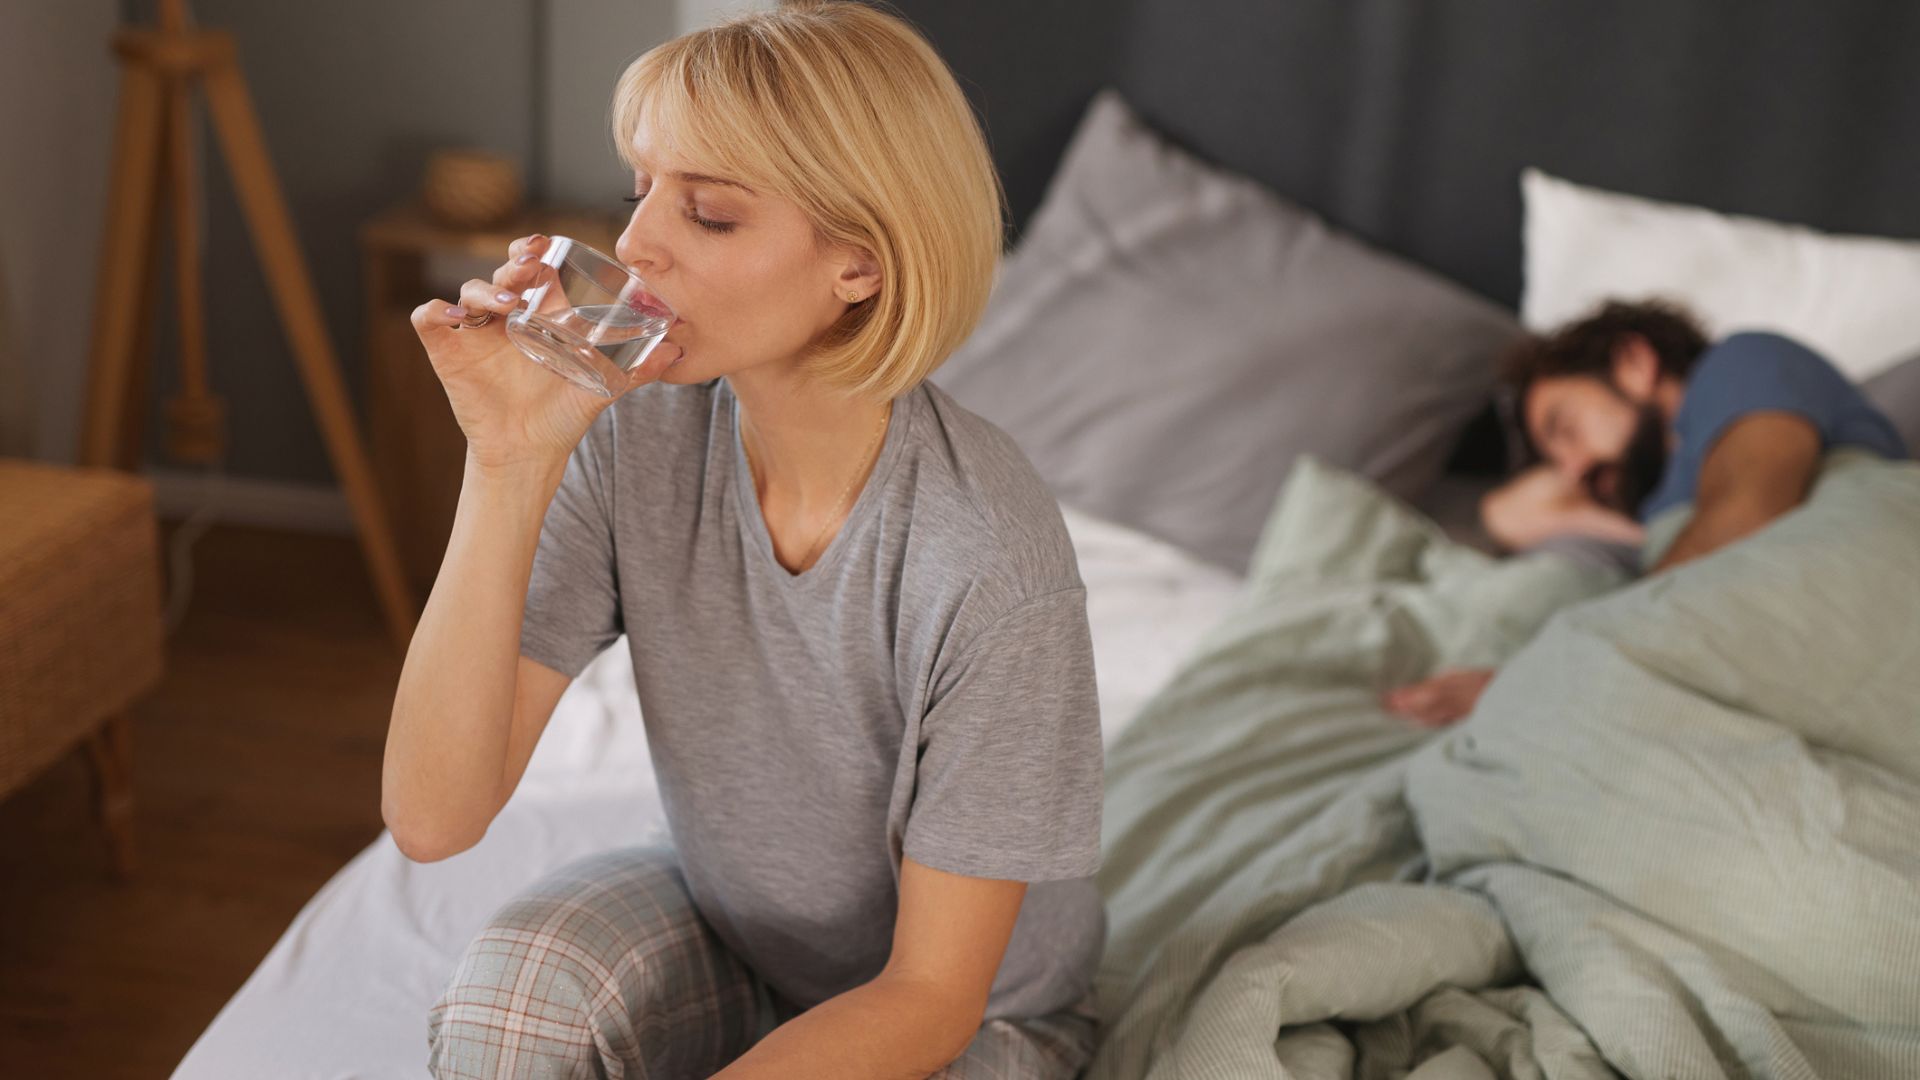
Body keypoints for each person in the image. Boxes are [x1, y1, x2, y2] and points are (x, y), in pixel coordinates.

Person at [382, 4, 1106, 1077]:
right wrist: (508, 461)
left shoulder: (988, 559)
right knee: (514, 1007)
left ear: (857, 266)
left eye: (709, 215)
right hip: (736, 932)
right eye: (642, 192)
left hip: (967, 1016)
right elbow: (434, 818)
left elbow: (930, 996)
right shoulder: (637, 436)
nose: (633, 245)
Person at [1384, 298, 1909, 728]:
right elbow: (1510, 516)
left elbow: (1748, 517)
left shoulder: (1740, 364)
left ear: (1634, 363)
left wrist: (1535, 679)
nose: (1571, 469)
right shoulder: (1662, 509)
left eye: (1564, 429)